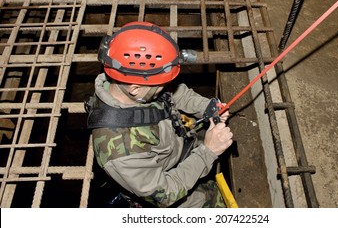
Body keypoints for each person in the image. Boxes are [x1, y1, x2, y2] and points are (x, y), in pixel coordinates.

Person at [86, 21, 234, 208]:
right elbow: (167, 192)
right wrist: (208, 152)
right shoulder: (120, 154)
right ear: (135, 89)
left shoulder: (132, 85)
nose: (165, 88)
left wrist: (206, 107)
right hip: (168, 187)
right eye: (161, 85)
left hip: (178, 149)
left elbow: (174, 94)